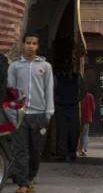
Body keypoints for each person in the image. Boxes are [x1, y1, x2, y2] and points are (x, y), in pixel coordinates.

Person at [8, 33, 54, 193]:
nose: (30, 46)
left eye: (34, 43)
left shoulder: (45, 67)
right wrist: (11, 112)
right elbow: (10, 91)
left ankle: (29, 179)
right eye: (28, 43)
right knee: (20, 150)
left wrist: (48, 113)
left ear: (37, 46)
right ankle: (22, 184)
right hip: (20, 115)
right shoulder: (14, 67)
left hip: (39, 115)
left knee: (35, 151)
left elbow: (48, 90)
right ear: (23, 44)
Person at [54, 53, 85, 161]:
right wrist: (56, 100)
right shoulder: (57, 76)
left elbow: (84, 90)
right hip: (61, 108)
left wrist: (77, 100)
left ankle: (72, 152)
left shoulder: (76, 77)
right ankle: (62, 153)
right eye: (65, 63)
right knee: (62, 131)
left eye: (69, 63)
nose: (67, 65)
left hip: (73, 108)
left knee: (74, 131)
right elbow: (52, 89)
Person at [78, 91, 95, 157]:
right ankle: (84, 149)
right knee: (85, 134)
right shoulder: (90, 96)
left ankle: (79, 149)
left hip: (79, 118)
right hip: (87, 118)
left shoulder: (78, 96)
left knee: (80, 134)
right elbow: (93, 108)